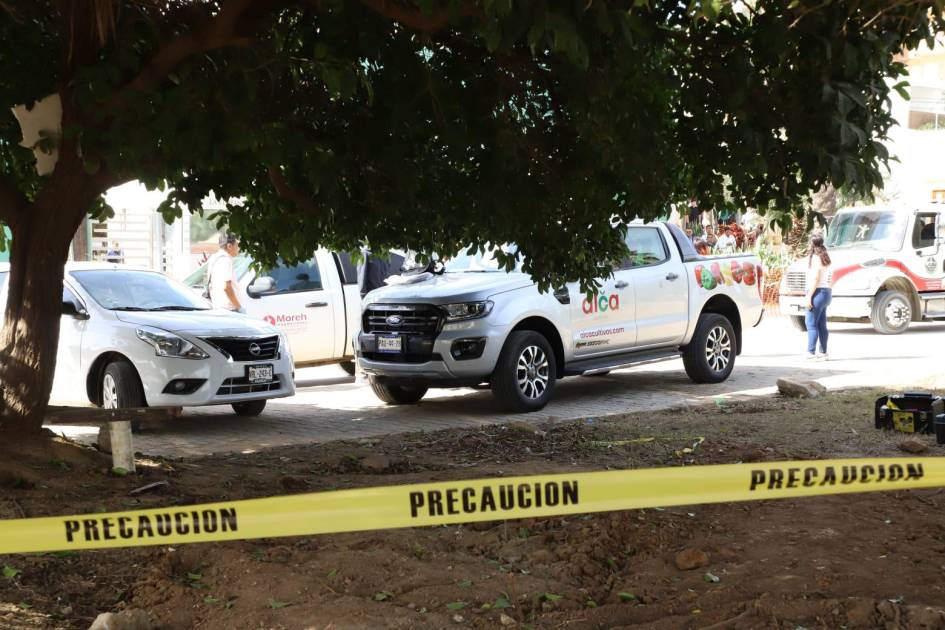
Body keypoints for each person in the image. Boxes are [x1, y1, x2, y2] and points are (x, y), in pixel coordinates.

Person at [804, 234, 833, 360]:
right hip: (826, 292)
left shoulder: (815, 258)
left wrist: (809, 296)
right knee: (821, 324)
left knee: (811, 324)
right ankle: (823, 352)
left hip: (817, 292)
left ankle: (810, 352)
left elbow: (816, 278)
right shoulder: (825, 257)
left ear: (812, 244)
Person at [208, 232, 243, 312]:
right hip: (229, 310)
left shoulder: (214, 258)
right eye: (237, 245)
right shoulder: (226, 260)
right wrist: (239, 307)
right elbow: (227, 287)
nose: (238, 248)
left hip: (219, 308)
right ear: (229, 246)